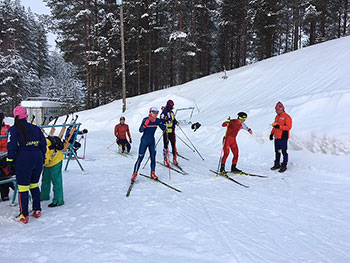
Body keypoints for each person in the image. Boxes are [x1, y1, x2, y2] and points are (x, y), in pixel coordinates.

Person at [7, 106, 46, 223]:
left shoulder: (14, 130)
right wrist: (41, 156)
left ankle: (24, 215)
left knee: (23, 188)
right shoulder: (35, 128)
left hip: (24, 160)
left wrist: (10, 161)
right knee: (34, 185)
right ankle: (37, 209)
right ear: (26, 116)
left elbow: (12, 147)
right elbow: (43, 144)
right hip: (37, 158)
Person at [131, 107, 166, 181]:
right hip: (144, 141)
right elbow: (140, 130)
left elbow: (163, 128)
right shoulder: (145, 119)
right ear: (150, 112)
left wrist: (165, 124)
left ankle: (153, 173)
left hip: (152, 141)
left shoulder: (157, 120)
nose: (156, 114)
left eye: (157, 112)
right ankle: (135, 173)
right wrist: (144, 125)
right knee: (140, 158)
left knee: (153, 157)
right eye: (154, 112)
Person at [41, 136, 64, 207]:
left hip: (56, 161)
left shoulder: (44, 145)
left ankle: (58, 200)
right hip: (48, 164)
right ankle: (44, 196)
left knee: (56, 180)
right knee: (45, 179)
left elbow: (46, 159)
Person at [269, 101, 292, 173]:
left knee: (284, 151)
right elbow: (275, 126)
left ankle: (284, 165)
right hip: (277, 137)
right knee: (277, 151)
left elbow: (288, 127)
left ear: (281, 109)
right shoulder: (277, 117)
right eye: (275, 110)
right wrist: (272, 133)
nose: (276, 111)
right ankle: (277, 164)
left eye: (277, 110)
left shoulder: (287, 117)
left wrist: (279, 126)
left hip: (283, 137)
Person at [160, 100, 178, 166]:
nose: (172, 107)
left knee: (173, 145)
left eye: (172, 106)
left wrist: (175, 122)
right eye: (171, 106)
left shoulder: (172, 112)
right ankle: (165, 159)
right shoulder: (164, 112)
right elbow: (161, 120)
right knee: (166, 146)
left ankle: (174, 158)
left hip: (172, 132)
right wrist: (166, 121)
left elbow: (173, 119)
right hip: (166, 132)